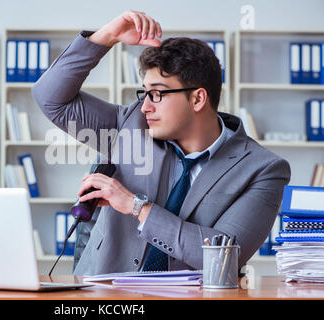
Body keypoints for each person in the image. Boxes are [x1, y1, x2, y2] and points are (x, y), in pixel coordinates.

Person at [32, 11, 291, 275]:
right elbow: (50, 98)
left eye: (156, 94)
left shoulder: (262, 169)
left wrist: (137, 207)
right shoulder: (131, 125)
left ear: (198, 99)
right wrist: (106, 36)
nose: (144, 106)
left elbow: (225, 256)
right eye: (144, 93)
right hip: (103, 293)